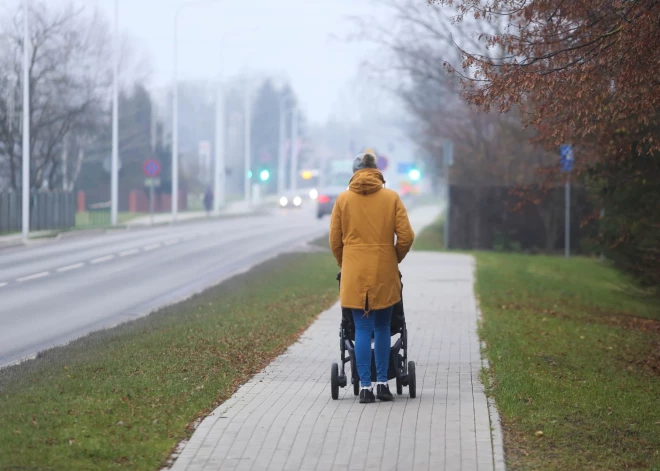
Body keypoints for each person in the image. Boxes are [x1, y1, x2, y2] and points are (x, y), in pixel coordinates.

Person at [329, 152, 415, 403]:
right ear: (376, 171)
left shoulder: (343, 200)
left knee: (362, 328)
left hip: (354, 273)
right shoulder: (391, 198)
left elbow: (335, 241)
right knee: (382, 327)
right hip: (383, 270)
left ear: (354, 173)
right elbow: (407, 236)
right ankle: (382, 385)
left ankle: (364, 387)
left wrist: (345, 263)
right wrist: (393, 257)